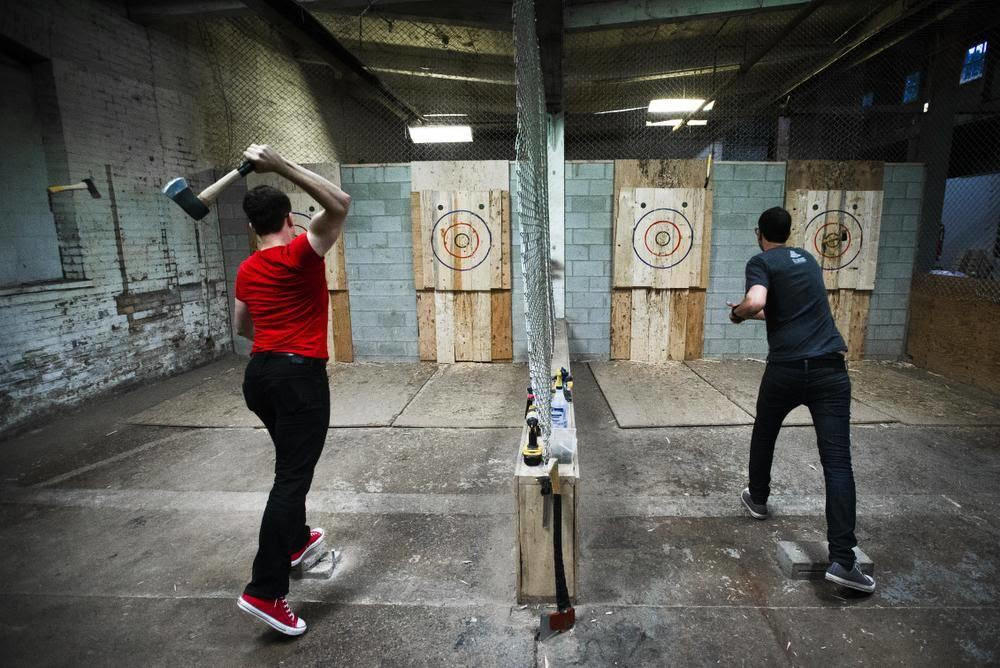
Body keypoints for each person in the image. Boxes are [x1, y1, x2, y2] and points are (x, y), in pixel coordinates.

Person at [232, 144, 352, 634]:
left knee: (290, 465)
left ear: (252, 226)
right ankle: (265, 590)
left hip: (259, 376)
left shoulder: (246, 269)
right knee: (291, 480)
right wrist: (279, 163)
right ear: (287, 216)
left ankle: (298, 540)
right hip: (299, 378)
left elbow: (242, 327)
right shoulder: (301, 252)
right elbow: (339, 203)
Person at [727, 206, 875, 594]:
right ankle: (844, 559)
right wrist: (755, 312)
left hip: (787, 370)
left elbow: (758, 301)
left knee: (765, 431)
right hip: (829, 369)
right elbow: (788, 311)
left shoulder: (760, 261)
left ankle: (757, 499)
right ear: (789, 233)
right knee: (838, 462)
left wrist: (739, 314)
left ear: (759, 233)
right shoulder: (807, 260)